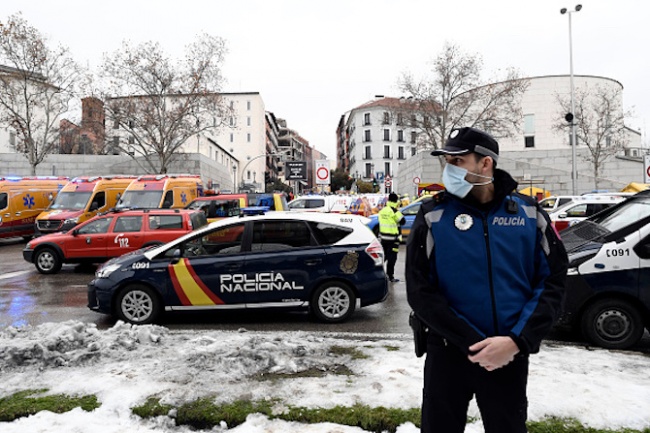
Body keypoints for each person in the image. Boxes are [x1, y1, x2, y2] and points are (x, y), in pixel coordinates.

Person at [405, 127, 568, 433]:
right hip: (447, 352)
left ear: (486, 164)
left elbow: (553, 281)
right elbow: (418, 289)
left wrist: (517, 341)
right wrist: (471, 342)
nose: (449, 169)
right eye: (447, 162)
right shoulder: (432, 214)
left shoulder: (529, 213)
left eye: (458, 161)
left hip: (507, 354)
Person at [378, 192, 405, 282]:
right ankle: (390, 276)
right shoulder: (394, 211)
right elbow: (403, 221)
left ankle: (378, 274)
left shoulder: (382, 211)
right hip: (393, 240)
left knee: (383, 257)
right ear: (396, 201)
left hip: (383, 239)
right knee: (392, 258)